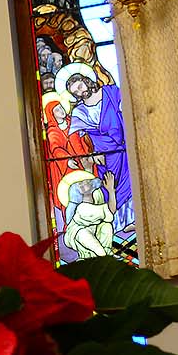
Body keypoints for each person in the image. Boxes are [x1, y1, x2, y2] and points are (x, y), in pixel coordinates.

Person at [57, 62, 132, 230]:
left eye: (80, 86)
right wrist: (90, 154)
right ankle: (118, 222)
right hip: (103, 155)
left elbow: (128, 109)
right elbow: (76, 138)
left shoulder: (110, 92)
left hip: (124, 147)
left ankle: (133, 219)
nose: (80, 91)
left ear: (87, 80)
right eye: (75, 91)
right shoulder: (79, 111)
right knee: (110, 185)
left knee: (131, 183)